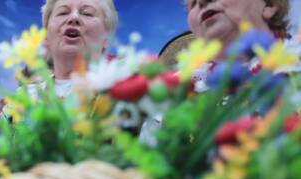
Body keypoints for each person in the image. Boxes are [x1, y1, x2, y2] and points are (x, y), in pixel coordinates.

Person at [140, 0, 294, 144]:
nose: (201, 1)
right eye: (193, 3)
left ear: (269, 5)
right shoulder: (176, 94)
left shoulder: (294, 64)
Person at [36, 0, 119, 97]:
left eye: (87, 13)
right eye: (63, 12)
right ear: (45, 35)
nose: (74, 17)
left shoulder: (120, 94)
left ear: (106, 37)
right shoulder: (22, 100)